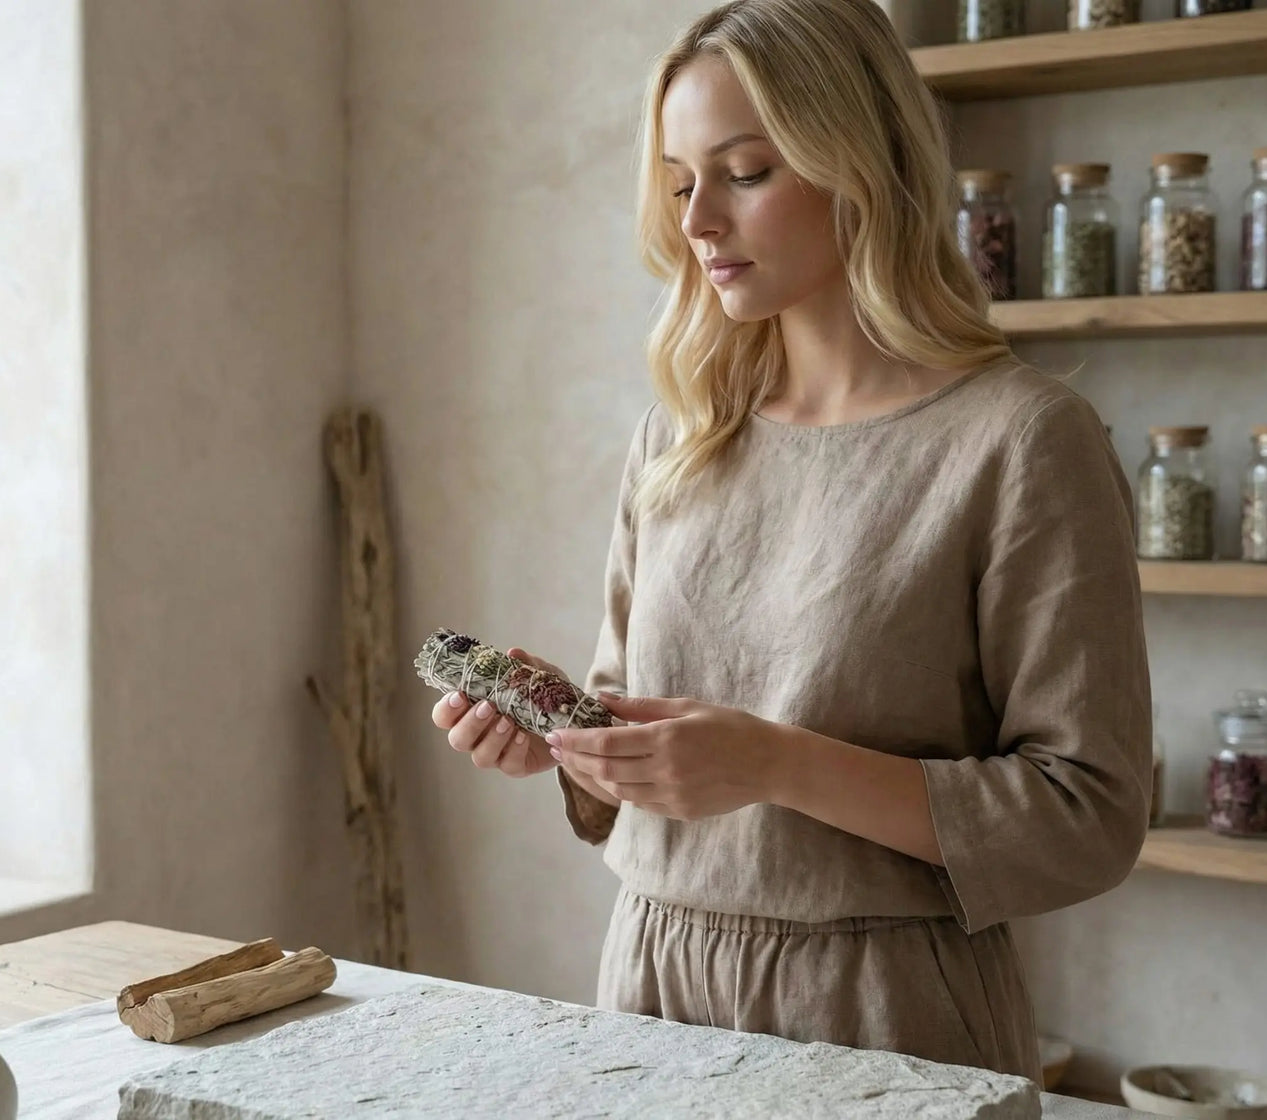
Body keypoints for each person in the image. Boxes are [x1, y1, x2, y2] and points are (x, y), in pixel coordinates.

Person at [430, 0, 1150, 1084]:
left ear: (860, 164)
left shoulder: (1021, 441)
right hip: (650, 991)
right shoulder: (677, 436)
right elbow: (640, 714)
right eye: (679, 182)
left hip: (886, 1014)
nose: (698, 221)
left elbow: (1086, 813)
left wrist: (775, 762)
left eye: (746, 172)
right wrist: (568, 742)